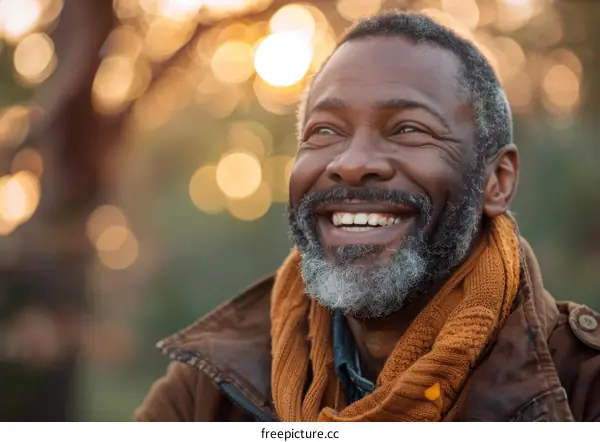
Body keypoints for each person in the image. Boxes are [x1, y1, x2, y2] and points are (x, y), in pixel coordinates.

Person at [134, 12, 600, 422]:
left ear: (496, 181)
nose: (353, 162)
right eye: (325, 131)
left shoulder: (581, 390)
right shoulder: (209, 392)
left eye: (408, 129)